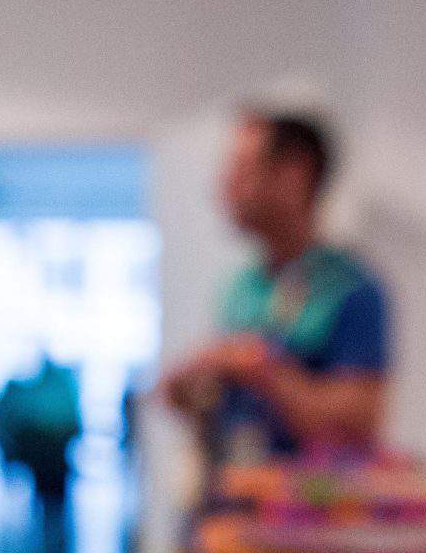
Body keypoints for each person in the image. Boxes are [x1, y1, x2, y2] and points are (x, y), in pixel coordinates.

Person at [160, 109, 391, 477]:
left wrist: (258, 367)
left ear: (293, 175)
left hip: (310, 503)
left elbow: (358, 423)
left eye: (242, 169)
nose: (226, 184)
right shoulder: (243, 286)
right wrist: (195, 382)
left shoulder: (349, 288)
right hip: (236, 492)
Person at [0, 356, 83, 553]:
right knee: (51, 502)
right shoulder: (57, 392)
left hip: (51, 460)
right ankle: (52, 539)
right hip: (51, 460)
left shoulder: (51, 393)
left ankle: (53, 538)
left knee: (51, 502)